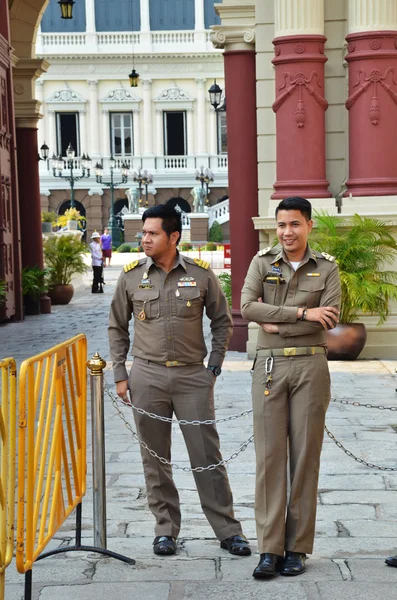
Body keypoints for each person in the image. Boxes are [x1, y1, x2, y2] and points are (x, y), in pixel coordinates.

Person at [108, 204, 251, 558]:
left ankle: (228, 531)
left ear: (173, 236)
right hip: (147, 376)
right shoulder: (130, 277)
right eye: (143, 233)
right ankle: (165, 531)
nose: (144, 239)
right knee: (155, 458)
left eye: (152, 233)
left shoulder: (201, 275)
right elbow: (116, 327)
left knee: (207, 456)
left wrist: (213, 366)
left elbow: (222, 321)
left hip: (192, 376)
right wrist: (121, 375)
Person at [241, 196, 341, 578]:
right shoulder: (261, 262)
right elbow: (248, 307)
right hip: (269, 367)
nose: (287, 232)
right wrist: (302, 313)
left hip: (311, 366)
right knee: (269, 459)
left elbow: (329, 318)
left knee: (304, 458)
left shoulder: (327, 268)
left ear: (309, 226)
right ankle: (269, 549)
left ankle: (297, 548)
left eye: (295, 224)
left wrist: (276, 323)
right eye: (282, 225)